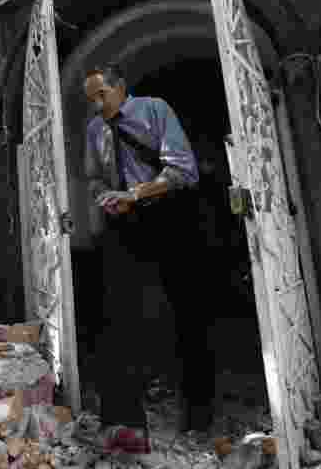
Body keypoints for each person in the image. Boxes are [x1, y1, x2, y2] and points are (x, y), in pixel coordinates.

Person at [82, 63, 214, 453]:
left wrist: (136, 194)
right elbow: (93, 177)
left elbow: (183, 170)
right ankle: (125, 422)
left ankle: (199, 415)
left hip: (171, 215)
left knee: (189, 310)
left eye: (101, 94)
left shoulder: (154, 110)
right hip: (124, 223)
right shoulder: (93, 130)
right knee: (118, 316)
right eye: (90, 99)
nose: (96, 104)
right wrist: (105, 197)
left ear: (120, 87)